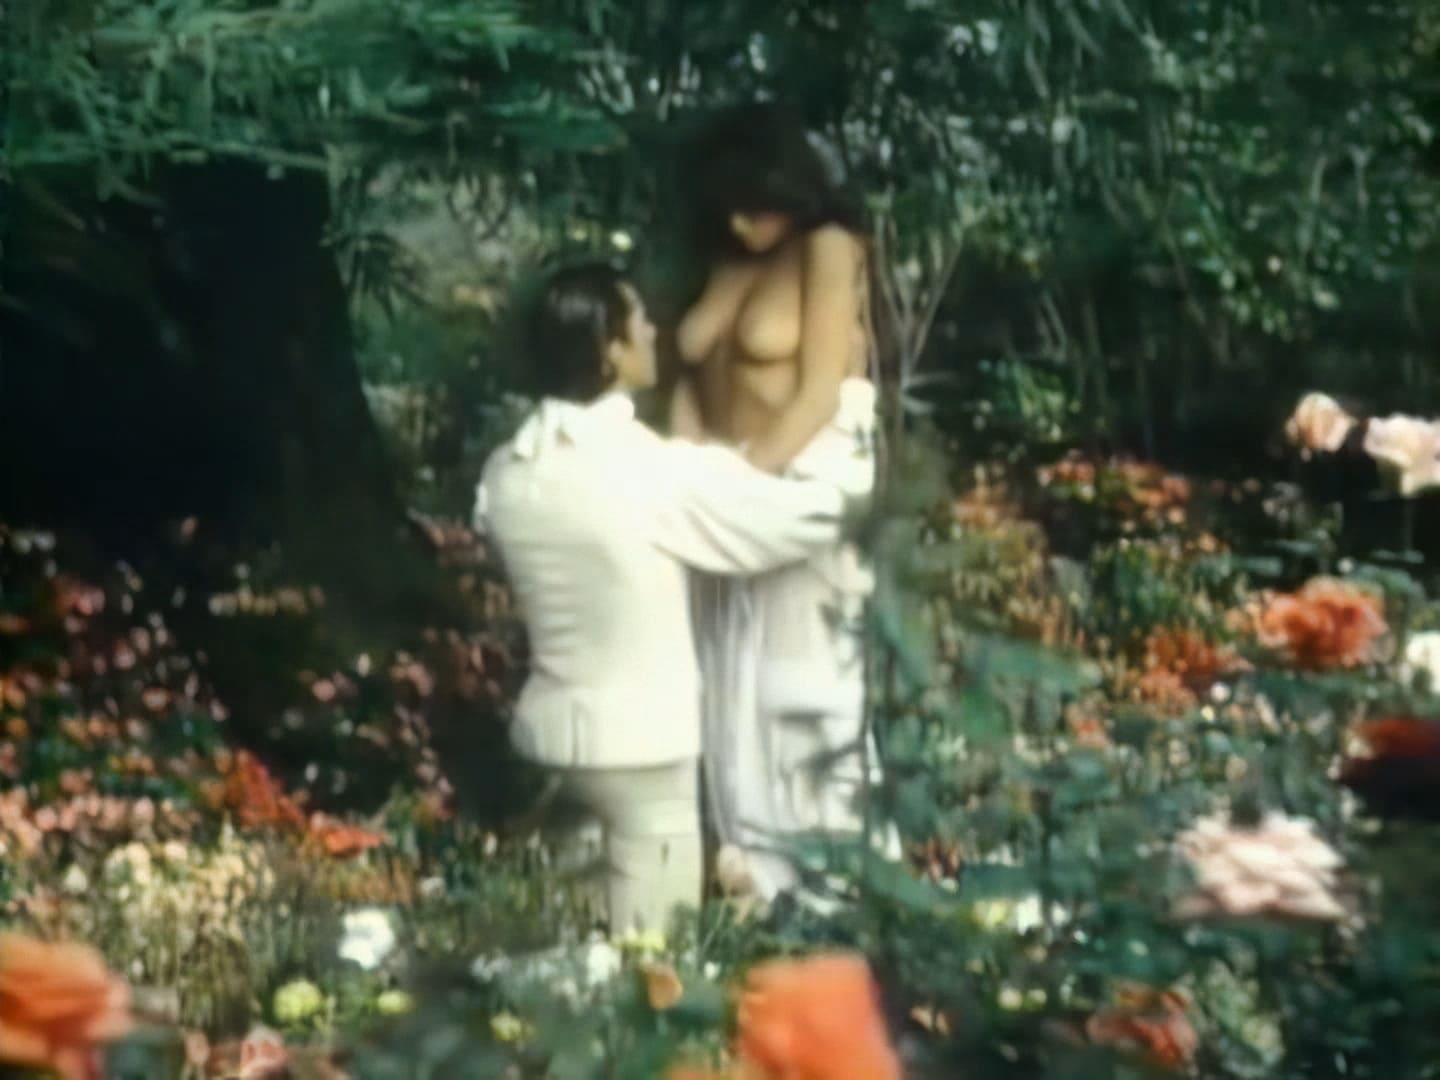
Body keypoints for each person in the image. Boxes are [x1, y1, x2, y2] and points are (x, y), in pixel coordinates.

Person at [474, 262, 852, 934]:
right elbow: (789, 523)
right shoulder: (644, 468)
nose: (653, 330)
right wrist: (852, 447)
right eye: (639, 320)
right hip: (641, 750)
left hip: (549, 733)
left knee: (572, 932)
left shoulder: (506, 471)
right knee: (656, 954)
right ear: (609, 350)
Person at [671, 102, 891, 900]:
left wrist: (742, 483)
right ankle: (747, 883)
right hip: (716, 498)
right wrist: (687, 471)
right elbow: (690, 376)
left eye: (751, 204)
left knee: (801, 695)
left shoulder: (826, 246)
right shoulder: (725, 256)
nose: (738, 222)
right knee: (726, 695)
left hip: (794, 491)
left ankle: (830, 889)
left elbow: (819, 393)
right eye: (725, 207)